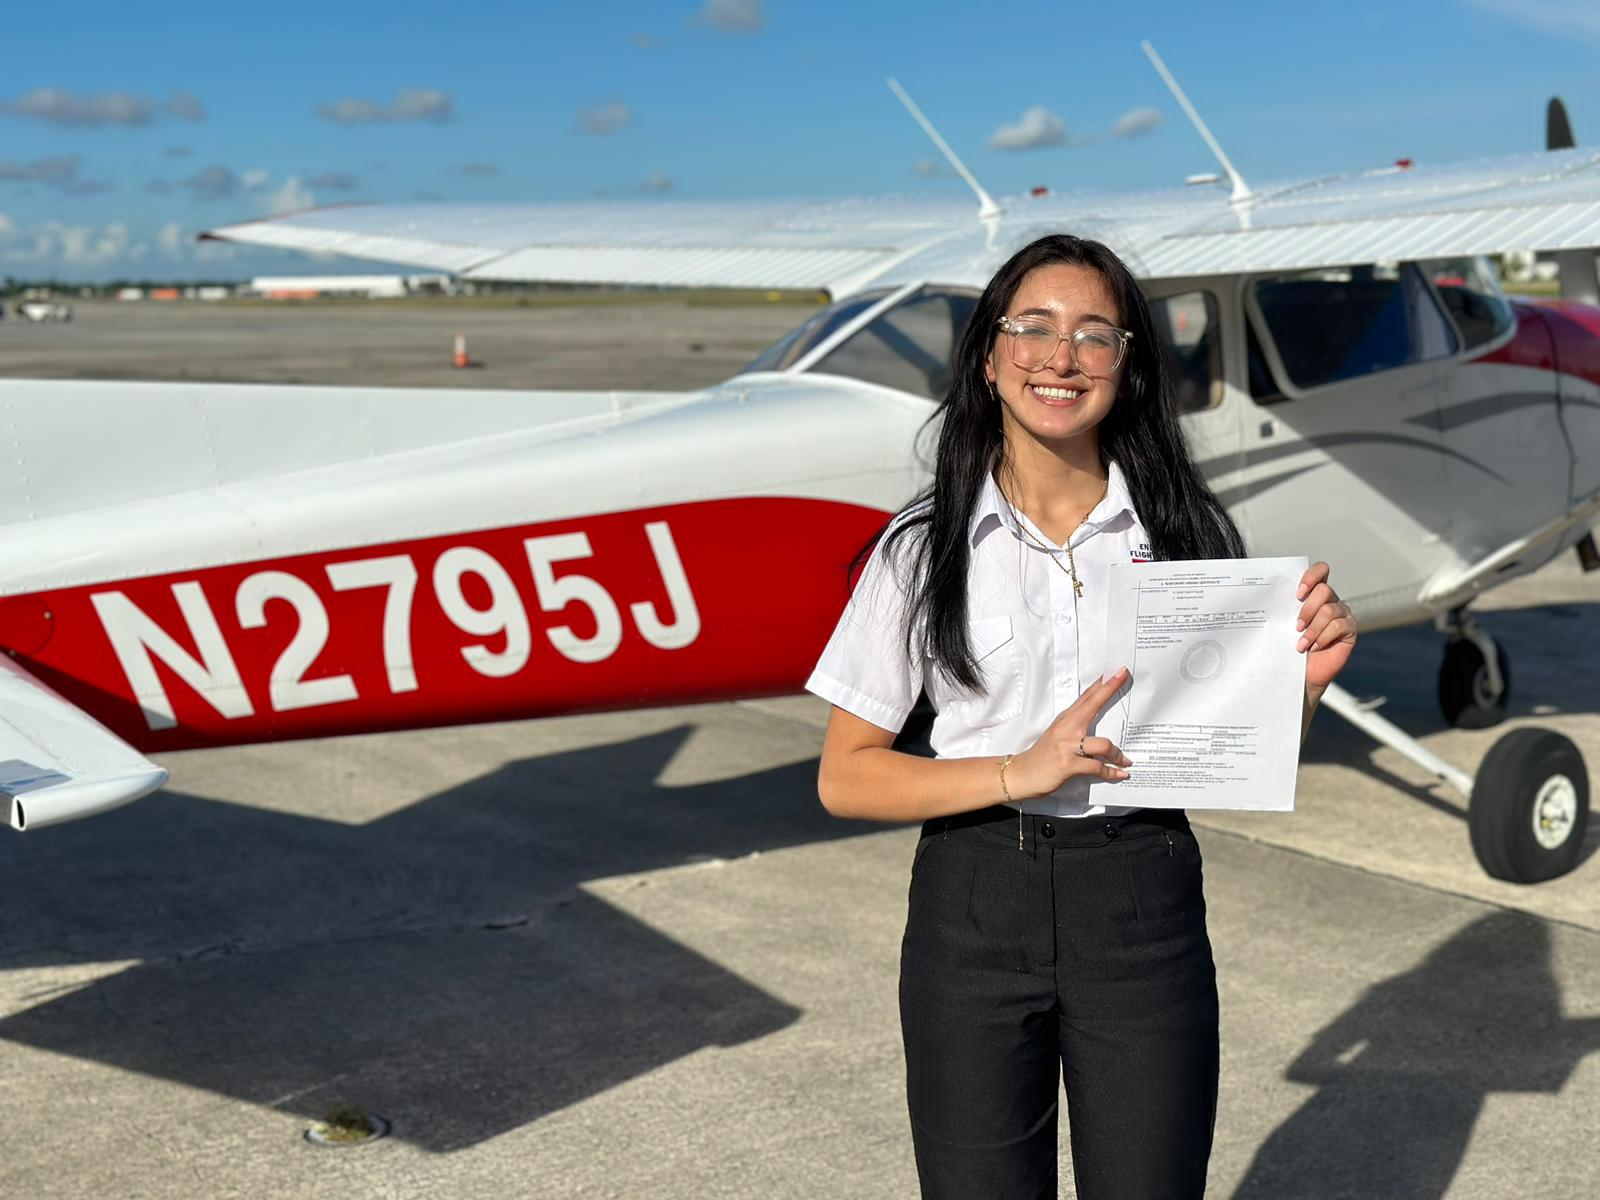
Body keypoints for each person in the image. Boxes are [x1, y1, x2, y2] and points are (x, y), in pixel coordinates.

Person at [804, 233, 1357, 1200]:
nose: (1061, 358)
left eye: (1096, 335)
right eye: (1034, 328)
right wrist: (1018, 770)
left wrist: (1302, 688)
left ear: (1128, 366)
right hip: (971, 896)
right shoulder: (919, 548)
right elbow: (845, 774)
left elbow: (1221, 757)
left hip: (1141, 895)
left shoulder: (1186, 538)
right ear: (988, 355)